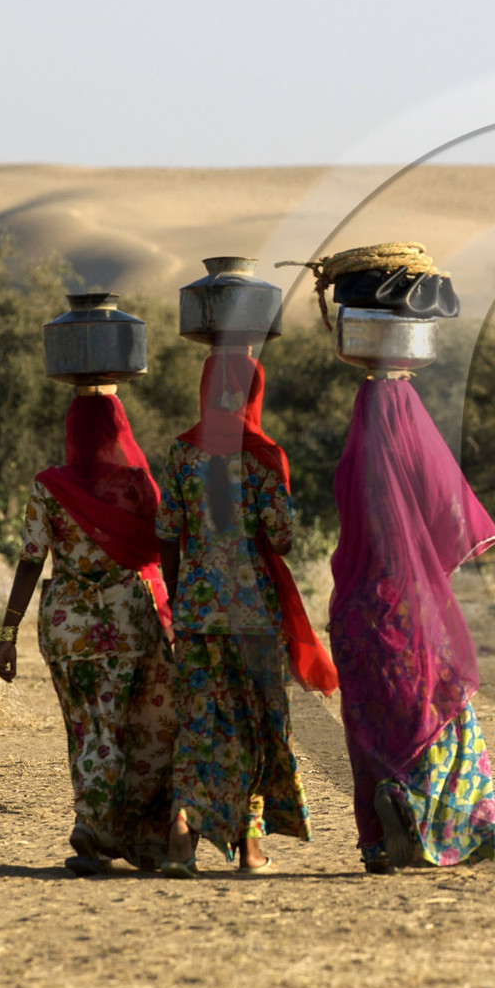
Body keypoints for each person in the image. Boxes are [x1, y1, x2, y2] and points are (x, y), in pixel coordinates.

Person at [155, 351, 334, 878]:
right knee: (257, 722)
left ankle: (182, 832)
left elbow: (166, 532)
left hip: (197, 611)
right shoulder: (264, 455)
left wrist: (178, 593)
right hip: (255, 614)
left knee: (199, 721)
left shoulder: (183, 452)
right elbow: (282, 538)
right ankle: (250, 846)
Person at [0, 387, 176, 876]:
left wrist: (7, 634)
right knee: (129, 727)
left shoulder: (48, 487)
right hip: (127, 623)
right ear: (119, 430)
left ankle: (94, 826)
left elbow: (30, 560)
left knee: (88, 728)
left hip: (67, 628)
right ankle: (104, 829)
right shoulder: (135, 484)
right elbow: (164, 543)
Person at [329, 376, 495, 874]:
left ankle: (379, 844)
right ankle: (412, 804)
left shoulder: (351, 464)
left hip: (354, 610)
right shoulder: (413, 453)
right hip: (408, 605)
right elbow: (449, 512)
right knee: (441, 714)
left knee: (368, 725)